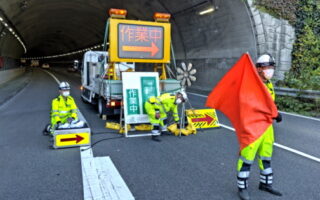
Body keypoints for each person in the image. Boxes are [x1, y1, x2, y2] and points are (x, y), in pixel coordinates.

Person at [237, 53, 282, 200]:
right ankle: (242, 188)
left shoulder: (268, 84)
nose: (270, 70)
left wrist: (275, 111)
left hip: (267, 127)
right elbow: (249, 104)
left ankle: (266, 184)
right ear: (258, 69)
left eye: (271, 67)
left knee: (266, 155)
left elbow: (269, 102)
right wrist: (272, 112)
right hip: (252, 126)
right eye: (266, 67)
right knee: (247, 158)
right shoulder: (251, 84)